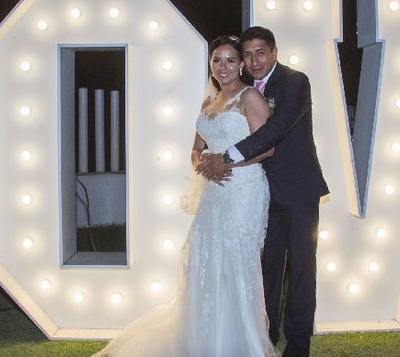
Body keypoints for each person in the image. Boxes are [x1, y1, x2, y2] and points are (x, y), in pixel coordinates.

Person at [94, 35, 277, 357]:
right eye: (217, 60)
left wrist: (225, 162)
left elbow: (269, 147)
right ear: (210, 64)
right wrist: (203, 165)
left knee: (237, 263)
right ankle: (203, 336)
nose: (223, 67)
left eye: (231, 60)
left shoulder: (250, 98)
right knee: (204, 260)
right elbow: (195, 150)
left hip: (243, 189)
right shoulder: (209, 103)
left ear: (241, 65)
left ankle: (240, 342)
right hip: (214, 192)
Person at [197, 26, 328, 357]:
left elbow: (276, 129)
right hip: (256, 194)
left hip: (298, 192)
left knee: (300, 272)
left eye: (261, 53)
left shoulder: (294, 81)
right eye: (249, 54)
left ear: (274, 53)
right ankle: (263, 338)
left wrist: (225, 159)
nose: (255, 61)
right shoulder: (232, 91)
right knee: (264, 271)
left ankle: (297, 348)